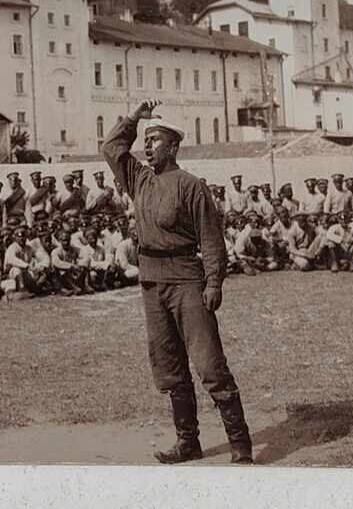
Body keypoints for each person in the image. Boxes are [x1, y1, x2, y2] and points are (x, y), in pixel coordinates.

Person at [102, 98, 252, 465]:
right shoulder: (138, 179)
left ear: (173, 147)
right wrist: (134, 119)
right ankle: (188, 443)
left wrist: (213, 282)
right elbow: (111, 148)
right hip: (152, 283)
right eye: (146, 140)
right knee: (169, 367)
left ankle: (241, 445)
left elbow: (211, 238)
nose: (148, 146)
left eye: (156, 140)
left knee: (209, 365)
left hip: (187, 280)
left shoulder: (190, 186)